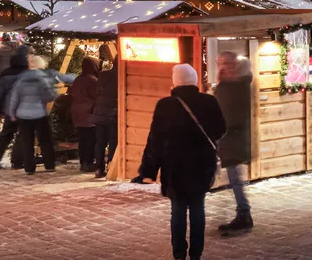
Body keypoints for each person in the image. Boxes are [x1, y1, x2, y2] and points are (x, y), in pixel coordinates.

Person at [134, 63, 227, 260]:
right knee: (197, 208)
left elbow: (155, 141)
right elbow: (221, 129)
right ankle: (196, 254)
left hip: (174, 167)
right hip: (201, 165)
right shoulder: (209, 102)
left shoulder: (165, 105)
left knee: (177, 209)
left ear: (175, 82)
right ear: (194, 81)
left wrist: (148, 170)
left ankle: (178, 254)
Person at [8, 55, 72, 175]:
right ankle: (49, 165)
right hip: (39, 114)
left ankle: (29, 168)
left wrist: (12, 113)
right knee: (45, 140)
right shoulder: (42, 79)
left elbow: (14, 98)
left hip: (23, 115)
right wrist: (55, 93)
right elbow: (48, 96)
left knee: (27, 142)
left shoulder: (21, 80)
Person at [215, 52, 254, 235]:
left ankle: (244, 214)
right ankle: (243, 213)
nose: (222, 67)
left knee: (234, 178)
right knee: (233, 178)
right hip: (228, 139)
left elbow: (232, 116)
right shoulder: (228, 85)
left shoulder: (238, 86)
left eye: (226, 63)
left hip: (233, 140)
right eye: (220, 63)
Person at [0, 47, 29, 170]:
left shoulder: (5, 74)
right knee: (22, 134)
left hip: (9, 109)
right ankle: (17, 160)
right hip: (23, 109)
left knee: (6, 134)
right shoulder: (27, 75)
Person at [67, 56, 101, 172]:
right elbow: (97, 96)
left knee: (82, 140)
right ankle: (89, 163)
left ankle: (83, 163)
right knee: (91, 140)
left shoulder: (77, 79)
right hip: (89, 113)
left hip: (77, 113)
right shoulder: (93, 80)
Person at [93, 44, 119, 178]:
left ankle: (98, 168)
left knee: (100, 142)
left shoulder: (103, 75)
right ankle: (111, 167)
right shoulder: (121, 77)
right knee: (113, 141)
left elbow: (98, 92)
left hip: (99, 113)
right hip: (113, 114)